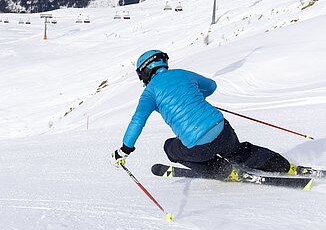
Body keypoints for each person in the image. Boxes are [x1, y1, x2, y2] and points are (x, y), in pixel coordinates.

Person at [112, 49, 316, 179]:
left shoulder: (149, 93)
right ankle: (286, 167)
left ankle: (223, 171)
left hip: (196, 146)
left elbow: (137, 121)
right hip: (222, 130)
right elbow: (211, 86)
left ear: (146, 71)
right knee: (239, 151)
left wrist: (124, 150)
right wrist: (195, 95)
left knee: (170, 148)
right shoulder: (182, 74)